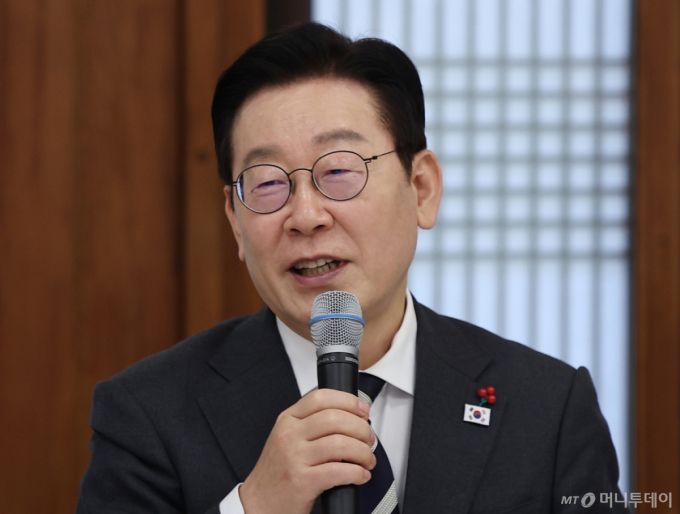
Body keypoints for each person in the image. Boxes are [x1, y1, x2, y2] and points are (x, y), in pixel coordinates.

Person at [76, 22, 628, 514]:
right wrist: (254, 508)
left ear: (421, 189)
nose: (305, 216)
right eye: (267, 183)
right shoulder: (147, 414)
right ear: (235, 222)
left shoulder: (547, 407)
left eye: (339, 171)